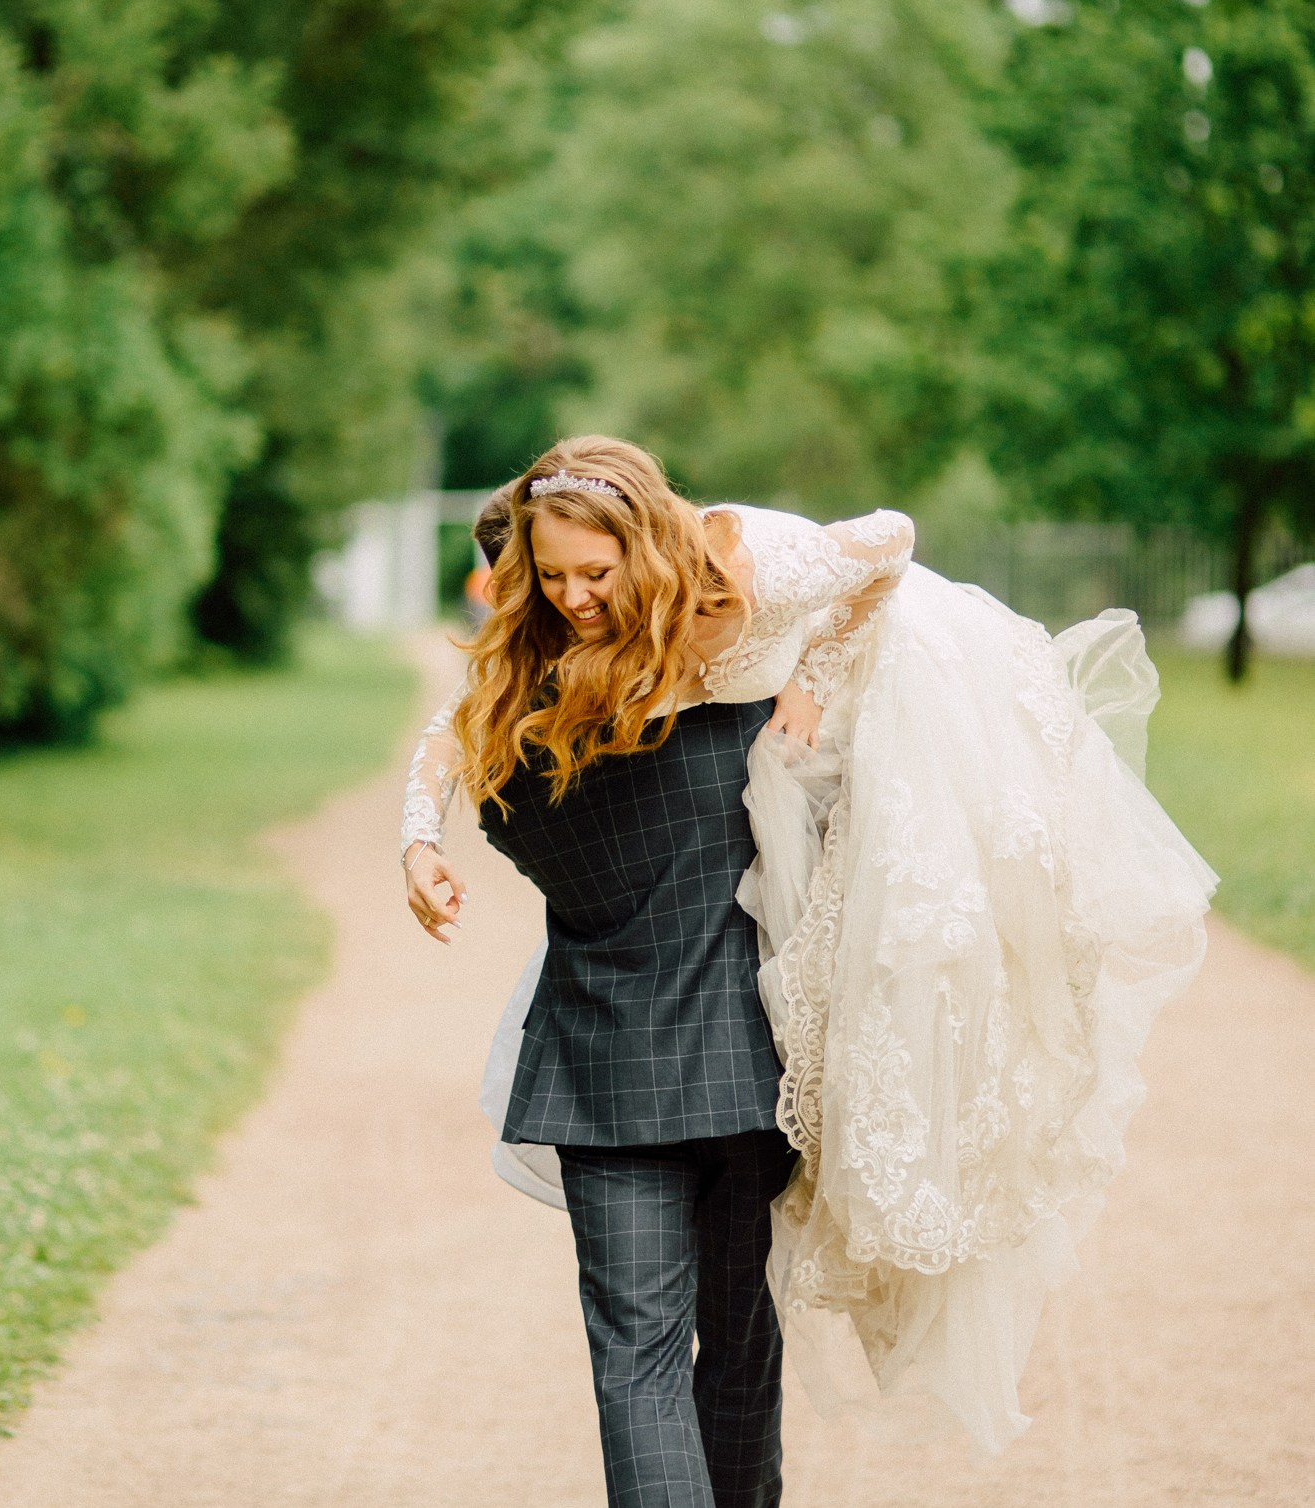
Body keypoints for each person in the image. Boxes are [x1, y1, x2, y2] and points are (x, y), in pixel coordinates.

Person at [402, 437, 1217, 1482]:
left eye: (591, 574)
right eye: (552, 577)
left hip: (625, 1082)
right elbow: (448, 731)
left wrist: (820, 680)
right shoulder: (647, 677)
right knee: (733, 1360)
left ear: (641, 547)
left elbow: (884, 546)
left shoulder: (624, 669)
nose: (573, 596)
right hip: (742, 1078)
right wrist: (417, 841)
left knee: (642, 1366)